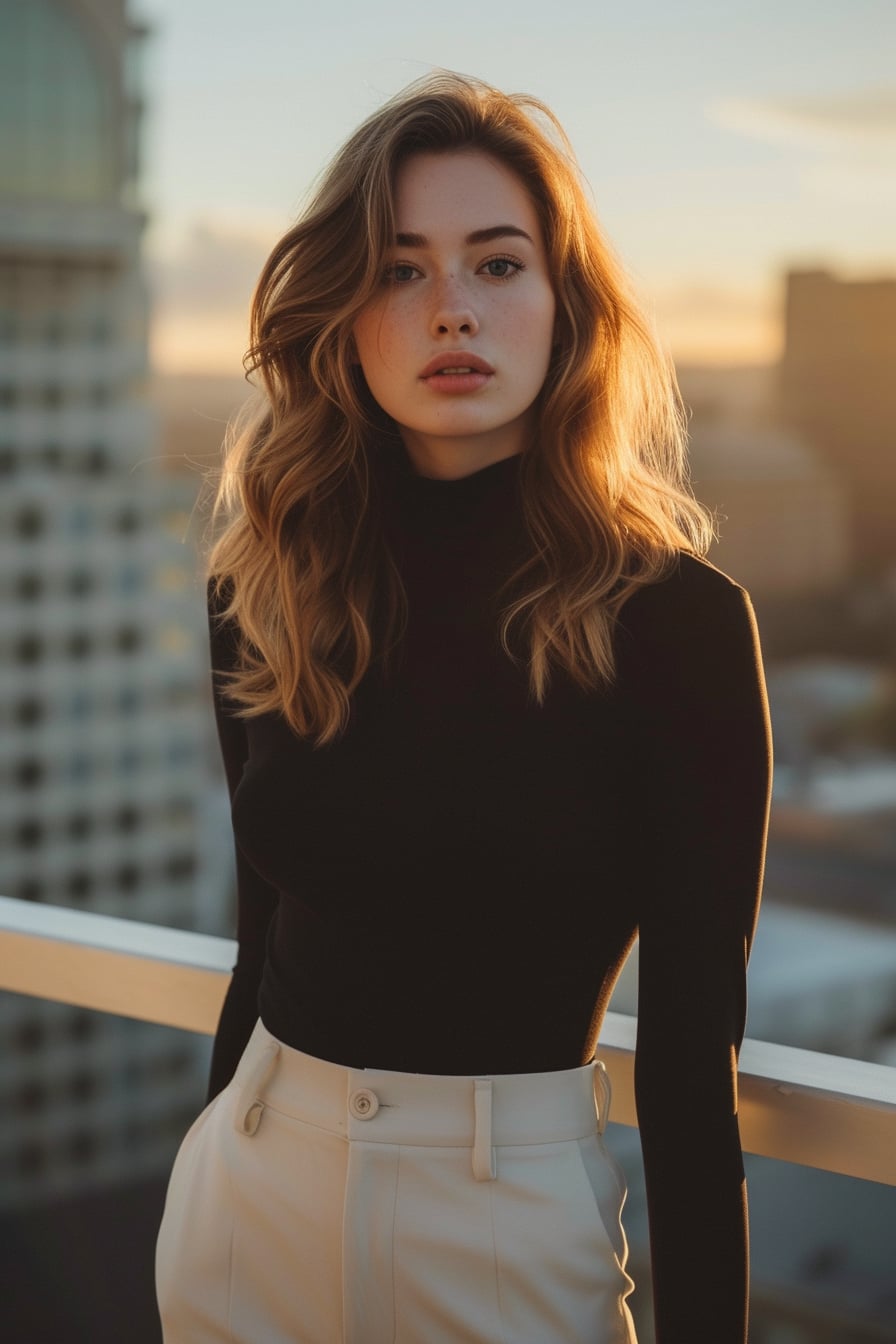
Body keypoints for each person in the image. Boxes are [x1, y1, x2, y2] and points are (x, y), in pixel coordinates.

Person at [155, 71, 772, 1344]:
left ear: (564, 309)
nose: (451, 311)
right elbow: (258, 941)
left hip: (497, 1229)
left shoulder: (675, 623)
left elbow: (688, 1059)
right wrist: (213, 1142)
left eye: (497, 266)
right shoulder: (267, 585)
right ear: (344, 311)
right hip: (246, 1203)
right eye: (399, 270)